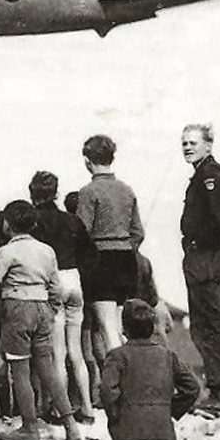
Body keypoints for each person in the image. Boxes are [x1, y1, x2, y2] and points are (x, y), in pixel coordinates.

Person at [0, 201, 83, 440]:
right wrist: (50, 311)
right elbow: (55, 287)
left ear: (7, 224)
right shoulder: (46, 250)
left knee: (19, 371)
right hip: (42, 308)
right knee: (47, 369)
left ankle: (29, 428)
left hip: (17, 309)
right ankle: (71, 426)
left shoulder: (7, 252)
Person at [100, 299, 200, 440]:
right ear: (152, 327)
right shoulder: (167, 355)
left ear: (124, 328)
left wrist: (116, 416)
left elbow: (107, 390)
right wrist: (169, 410)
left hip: (130, 428)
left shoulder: (118, 355)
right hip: (161, 427)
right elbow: (192, 388)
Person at [29, 171, 97, 424]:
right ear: (56, 192)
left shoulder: (34, 222)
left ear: (32, 192)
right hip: (74, 279)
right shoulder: (72, 221)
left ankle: (60, 410)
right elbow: (90, 255)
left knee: (58, 353)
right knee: (76, 351)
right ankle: (88, 408)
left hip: (53, 281)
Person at [179, 122, 220, 416]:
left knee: (208, 323)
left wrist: (198, 243)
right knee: (217, 321)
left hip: (208, 256)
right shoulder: (205, 174)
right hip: (210, 255)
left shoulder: (210, 176)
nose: (187, 147)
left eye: (193, 142)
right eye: (184, 143)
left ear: (208, 145)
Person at [77, 134, 144, 351]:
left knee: (107, 329)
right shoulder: (127, 189)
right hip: (126, 261)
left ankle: (120, 381)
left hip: (101, 261)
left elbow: (82, 233)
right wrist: (125, 247)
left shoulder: (88, 192)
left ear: (88, 161)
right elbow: (138, 232)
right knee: (119, 327)